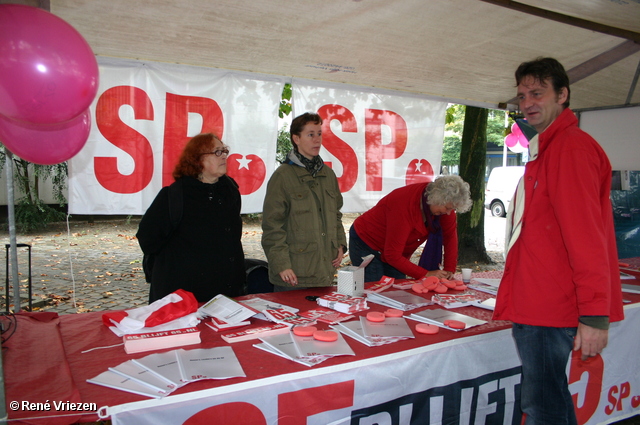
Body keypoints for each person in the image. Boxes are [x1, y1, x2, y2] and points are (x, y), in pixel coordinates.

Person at [493, 57, 624, 424]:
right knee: (544, 398)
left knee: (543, 404)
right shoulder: (549, 148)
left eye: (537, 93)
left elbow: (586, 238)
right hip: (539, 301)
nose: (527, 103)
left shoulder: (570, 149)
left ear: (562, 95)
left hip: (551, 307)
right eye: (521, 96)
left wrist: (595, 315)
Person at [137, 133, 245, 303]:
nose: (224, 155)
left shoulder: (230, 191)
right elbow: (148, 238)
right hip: (181, 293)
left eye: (224, 150)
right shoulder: (174, 195)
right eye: (217, 152)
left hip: (225, 291)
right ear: (197, 159)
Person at [261, 112, 347, 291]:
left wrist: (340, 243)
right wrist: (281, 264)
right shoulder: (283, 176)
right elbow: (272, 225)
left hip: (324, 271)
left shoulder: (328, 174)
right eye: (310, 134)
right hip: (294, 274)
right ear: (296, 139)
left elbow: (336, 214)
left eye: (319, 133)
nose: (317, 140)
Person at [349, 175, 472, 283]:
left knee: (397, 288)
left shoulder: (445, 208)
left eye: (453, 210)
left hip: (394, 251)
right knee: (373, 288)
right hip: (366, 241)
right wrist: (425, 274)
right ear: (437, 198)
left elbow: (450, 237)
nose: (449, 213)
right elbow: (392, 255)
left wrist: (449, 270)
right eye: (447, 208)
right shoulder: (403, 205)